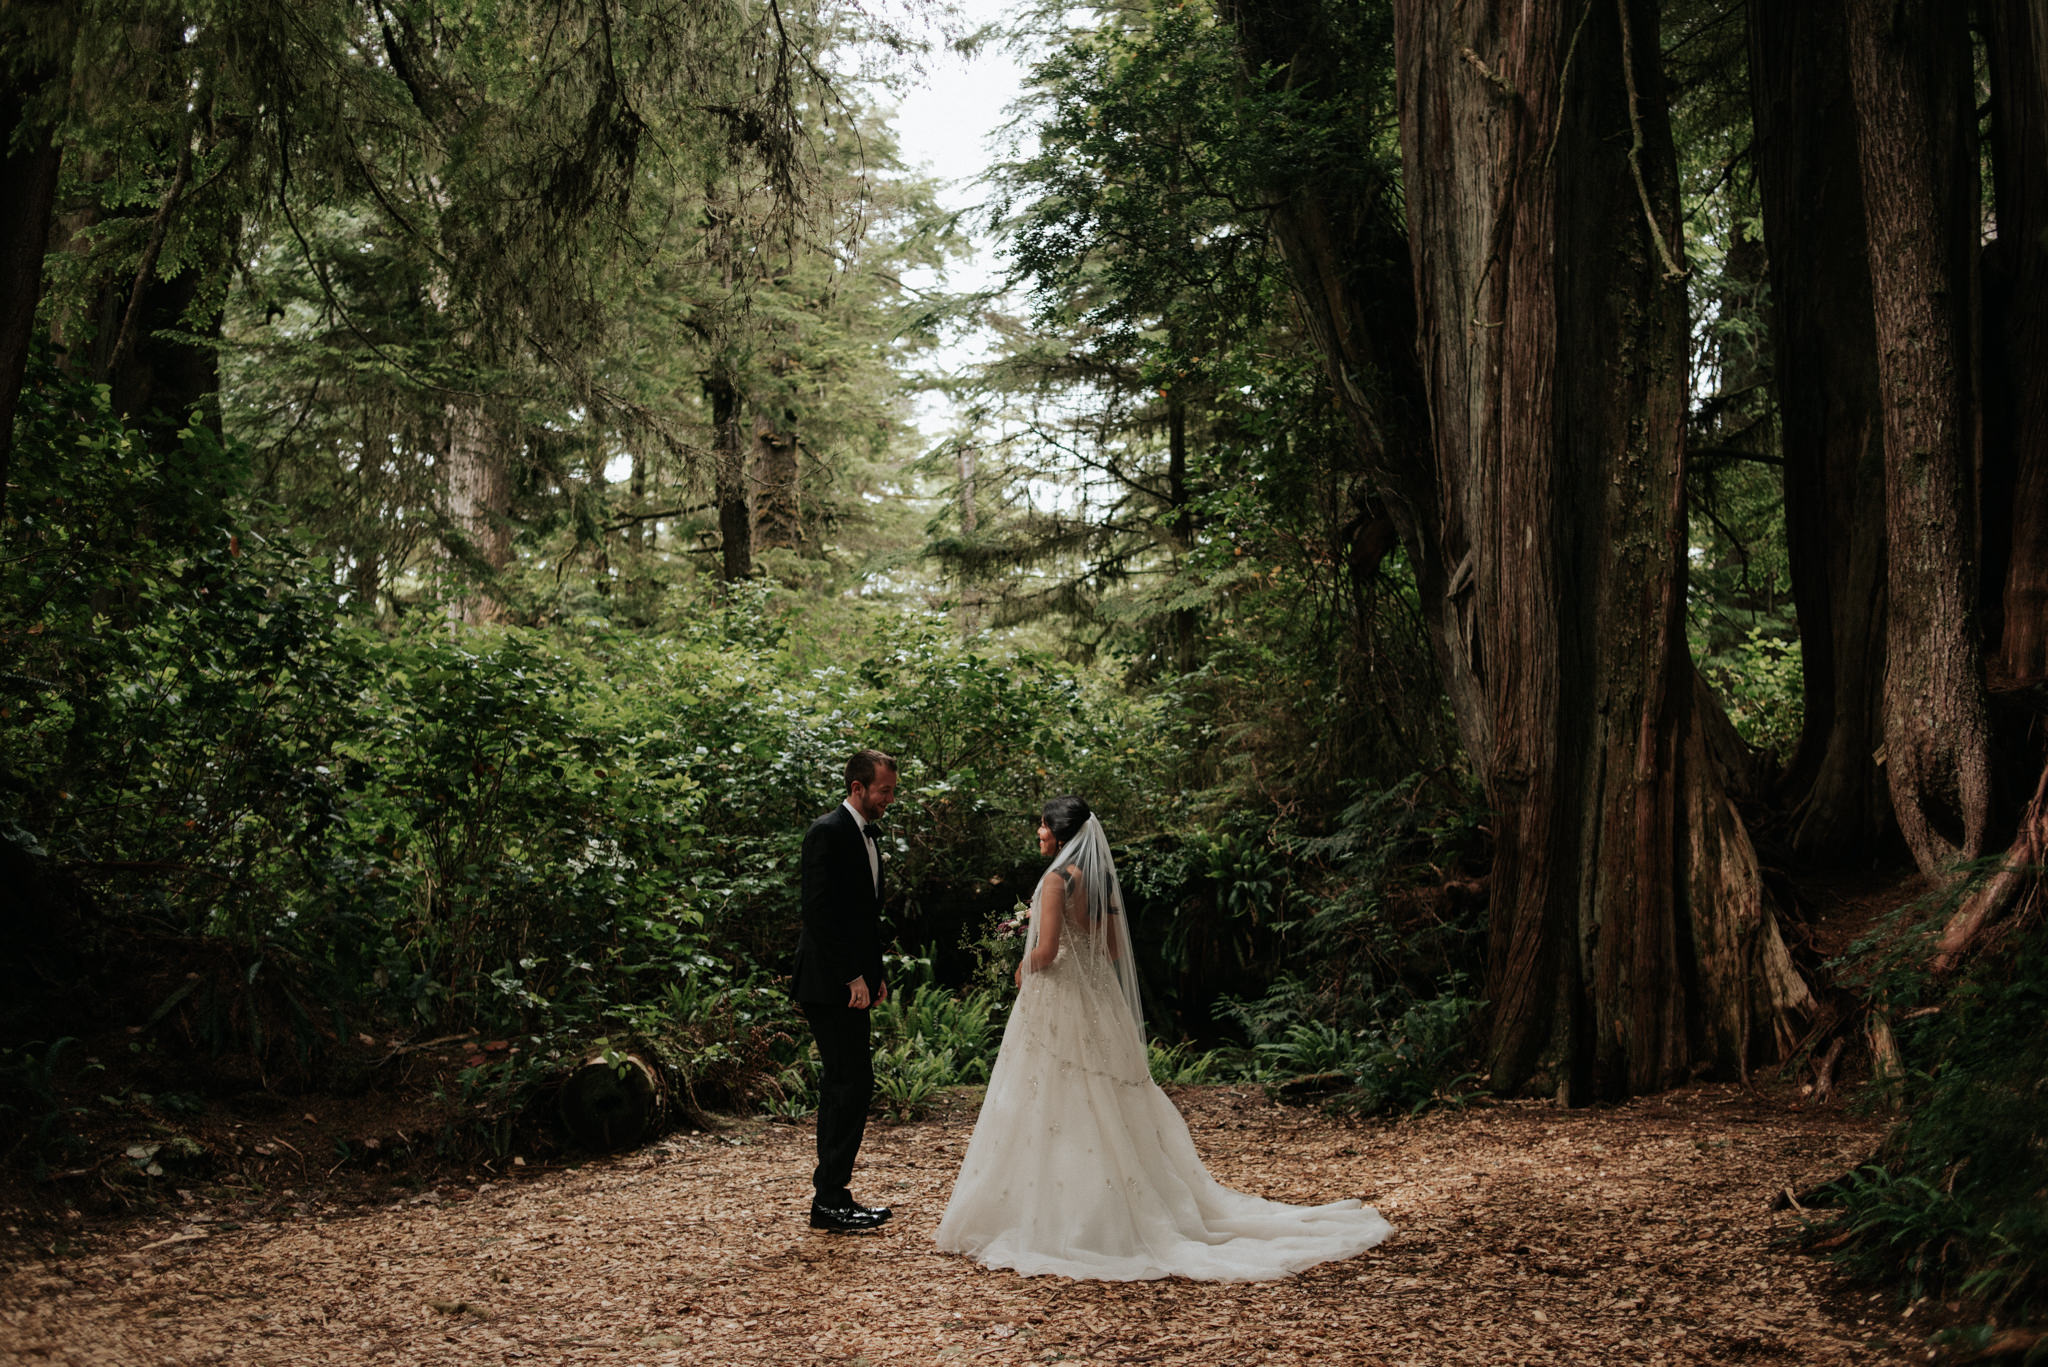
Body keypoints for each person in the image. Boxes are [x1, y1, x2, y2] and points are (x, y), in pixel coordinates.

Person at [935, 796, 1394, 1280]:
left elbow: (1047, 952)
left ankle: (1063, 1212)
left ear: (1058, 829)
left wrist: (1021, 964)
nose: (1039, 833)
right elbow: (1111, 948)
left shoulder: (1054, 880)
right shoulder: (1098, 879)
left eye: (1042, 826)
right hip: (1097, 1002)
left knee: (1052, 1091)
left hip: (1058, 1000)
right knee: (1099, 1092)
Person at [791, 748, 899, 1233]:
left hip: (854, 982)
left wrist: (873, 976)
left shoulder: (867, 836)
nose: (889, 800)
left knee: (854, 1083)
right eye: (883, 791)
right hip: (828, 982)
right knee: (845, 1085)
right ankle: (829, 1200)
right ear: (857, 788)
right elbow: (819, 913)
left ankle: (835, 1195)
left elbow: (863, 919)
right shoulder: (827, 832)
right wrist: (849, 976)